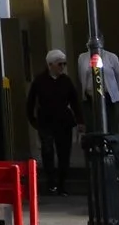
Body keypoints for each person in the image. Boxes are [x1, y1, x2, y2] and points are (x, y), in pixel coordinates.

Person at [26, 50, 80, 193]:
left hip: (64, 121)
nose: (62, 67)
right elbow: (31, 101)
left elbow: (74, 101)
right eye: (59, 64)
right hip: (46, 121)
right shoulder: (39, 81)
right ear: (50, 65)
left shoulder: (66, 81)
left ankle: (62, 184)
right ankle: (51, 182)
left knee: (64, 153)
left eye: (64, 64)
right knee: (48, 151)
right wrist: (32, 119)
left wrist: (80, 121)